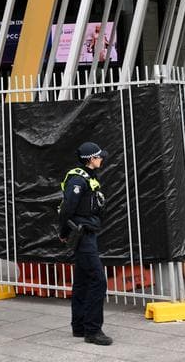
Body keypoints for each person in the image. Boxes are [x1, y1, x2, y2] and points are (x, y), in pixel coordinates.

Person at [58, 142, 111, 346]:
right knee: (98, 281)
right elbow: (67, 208)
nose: (101, 159)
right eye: (98, 157)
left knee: (82, 282)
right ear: (90, 159)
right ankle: (93, 331)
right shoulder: (78, 180)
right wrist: (64, 232)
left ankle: (79, 326)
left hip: (87, 234)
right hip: (83, 236)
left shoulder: (88, 177)